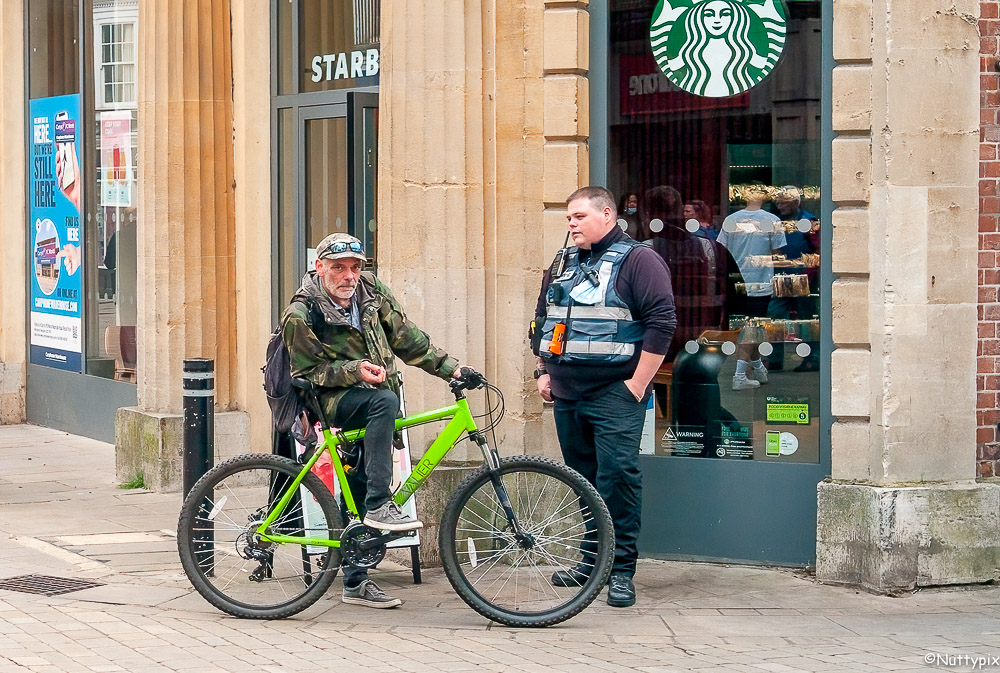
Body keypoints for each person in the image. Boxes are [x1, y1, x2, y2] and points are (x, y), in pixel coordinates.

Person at [282, 233, 465, 609]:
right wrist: (355, 371)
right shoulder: (301, 314)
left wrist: (452, 369)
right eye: (338, 268)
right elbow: (306, 369)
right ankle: (381, 504)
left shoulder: (370, 290)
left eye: (354, 267)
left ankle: (356, 581)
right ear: (320, 268)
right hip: (330, 398)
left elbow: (406, 338)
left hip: (373, 396)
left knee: (361, 478)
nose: (348, 276)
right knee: (382, 405)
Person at [533, 186, 676, 608]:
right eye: (568, 218)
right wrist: (543, 370)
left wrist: (636, 385)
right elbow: (544, 318)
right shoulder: (563, 262)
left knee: (618, 479)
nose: (571, 224)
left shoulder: (639, 260)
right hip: (567, 392)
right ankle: (591, 562)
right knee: (584, 481)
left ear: (608, 214)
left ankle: (620, 572)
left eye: (578, 216)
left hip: (616, 392)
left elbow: (662, 322)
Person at [717, 185, 785, 390]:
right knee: (752, 329)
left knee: (748, 327)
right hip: (760, 282)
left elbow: (722, 250)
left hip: (736, 282)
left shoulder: (732, 220)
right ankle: (740, 374)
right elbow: (777, 254)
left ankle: (757, 367)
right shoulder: (772, 220)